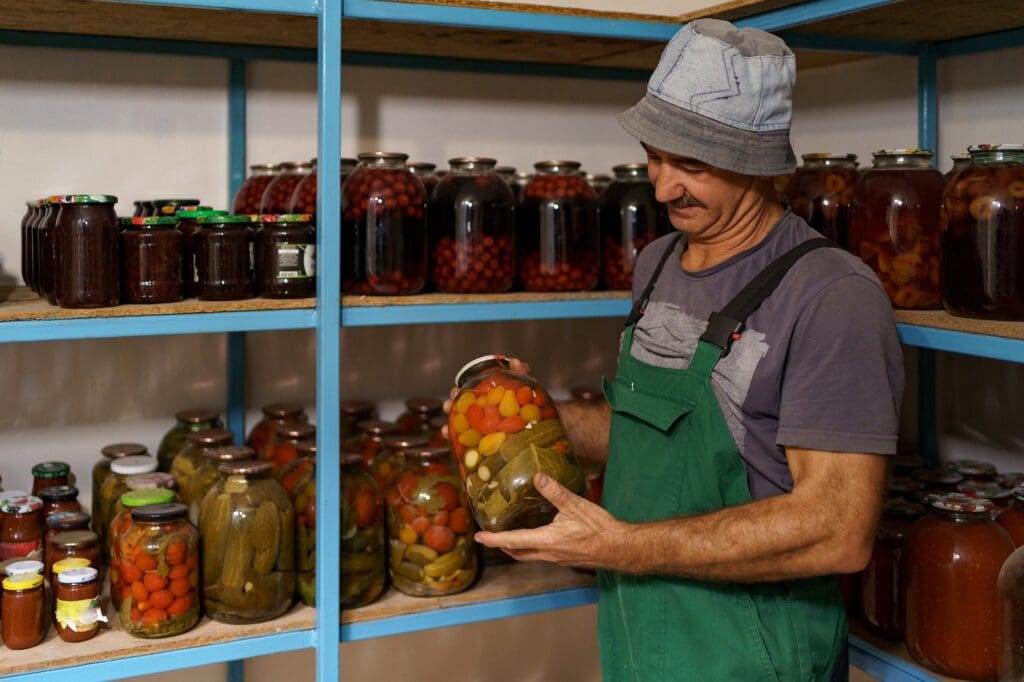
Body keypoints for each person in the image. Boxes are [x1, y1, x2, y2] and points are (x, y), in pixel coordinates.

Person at [471, 18, 905, 682]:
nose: (663, 186)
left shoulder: (831, 296)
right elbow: (657, 438)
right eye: (656, 155)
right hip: (640, 633)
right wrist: (529, 412)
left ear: (761, 165)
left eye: (692, 166)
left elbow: (839, 529)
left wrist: (623, 548)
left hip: (754, 653)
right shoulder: (658, 263)